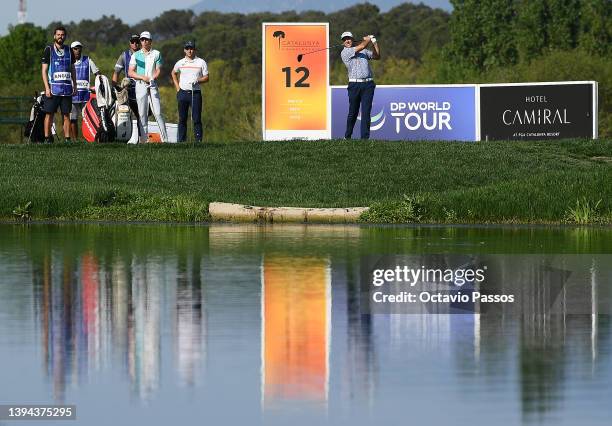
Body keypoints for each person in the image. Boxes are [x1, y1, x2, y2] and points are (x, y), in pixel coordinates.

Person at [128, 31, 167, 143]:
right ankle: (144, 141)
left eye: (146, 39)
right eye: (142, 39)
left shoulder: (156, 53)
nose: (144, 42)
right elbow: (130, 72)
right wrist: (142, 77)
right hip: (140, 85)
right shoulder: (135, 55)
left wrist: (153, 78)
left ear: (150, 41)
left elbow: (158, 70)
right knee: (142, 113)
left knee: (158, 113)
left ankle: (165, 140)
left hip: (153, 85)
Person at [340, 31, 380, 140]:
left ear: (352, 39)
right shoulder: (345, 53)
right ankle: (347, 136)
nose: (347, 41)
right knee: (353, 112)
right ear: (343, 42)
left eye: (349, 38)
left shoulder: (364, 51)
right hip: (354, 85)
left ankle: (364, 139)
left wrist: (374, 43)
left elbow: (377, 56)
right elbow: (362, 45)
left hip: (368, 84)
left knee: (366, 112)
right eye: (344, 39)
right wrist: (367, 39)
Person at [41, 25, 77, 143]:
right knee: (49, 114)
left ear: (65, 36)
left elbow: (72, 69)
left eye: (62, 35)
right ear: (54, 36)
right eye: (58, 35)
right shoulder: (49, 49)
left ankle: (67, 139)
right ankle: (47, 138)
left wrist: (75, 85)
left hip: (66, 89)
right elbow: (44, 71)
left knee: (66, 115)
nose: (60, 37)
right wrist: (47, 88)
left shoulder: (69, 50)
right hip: (53, 89)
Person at [171, 41, 209, 142]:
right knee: (182, 119)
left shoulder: (201, 62)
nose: (189, 50)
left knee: (196, 118)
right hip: (182, 93)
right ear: (184, 50)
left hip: (195, 93)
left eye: (191, 48)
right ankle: (182, 141)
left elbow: (206, 77)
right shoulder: (180, 62)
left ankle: (198, 141)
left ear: (194, 49)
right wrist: (178, 88)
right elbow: (173, 73)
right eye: (187, 48)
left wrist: (198, 80)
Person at [70, 41, 100, 140]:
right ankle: (75, 140)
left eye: (79, 48)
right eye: (75, 48)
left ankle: (87, 138)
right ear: (71, 50)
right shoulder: (68, 61)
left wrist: (98, 86)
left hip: (85, 96)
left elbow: (98, 74)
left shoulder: (88, 60)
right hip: (72, 96)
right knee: (73, 119)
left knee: (86, 119)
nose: (77, 50)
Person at [112, 34, 141, 125]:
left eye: (137, 42)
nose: (135, 44)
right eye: (133, 42)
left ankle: (142, 137)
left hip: (141, 87)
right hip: (128, 89)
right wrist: (115, 88)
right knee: (127, 115)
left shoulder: (145, 55)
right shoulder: (124, 56)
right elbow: (116, 72)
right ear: (130, 43)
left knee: (142, 115)